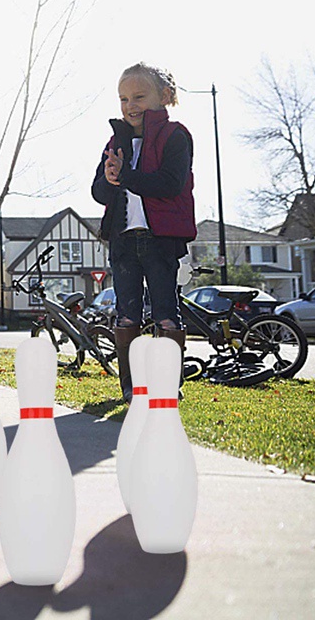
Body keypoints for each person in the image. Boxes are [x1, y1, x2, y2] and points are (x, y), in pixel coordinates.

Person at [91, 62, 196, 403]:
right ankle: (131, 386)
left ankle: (168, 384)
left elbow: (170, 183)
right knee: (126, 313)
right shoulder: (116, 139)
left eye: (138, 96)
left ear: (164, 96)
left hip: (161, 240)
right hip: (124, 241)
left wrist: (127, 176)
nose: (130, 105)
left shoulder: (175, 135)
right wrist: (109, 180)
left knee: (166, 312)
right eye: (123, 98)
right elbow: (99, 191)